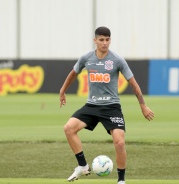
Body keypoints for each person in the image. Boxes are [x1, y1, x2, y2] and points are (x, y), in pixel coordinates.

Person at [59, 26, 154, 184]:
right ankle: (82, 166)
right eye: (101, 40)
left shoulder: (117, 60)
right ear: (95, 40)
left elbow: (133, 83)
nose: (104, 43)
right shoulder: (86, 58)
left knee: (120, 142)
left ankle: (121, 180)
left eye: (107, 39)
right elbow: (73, 73)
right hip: (92, 105)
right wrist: (62, 91)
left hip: (111, 107)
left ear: (110, 40)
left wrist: (143, 105)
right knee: (69, 128)